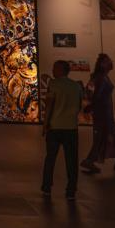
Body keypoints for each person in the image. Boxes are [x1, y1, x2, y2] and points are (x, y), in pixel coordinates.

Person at [81, 53, 115, 173]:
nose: (111, 63)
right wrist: (91, 107)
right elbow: (96, 95)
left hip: (104, 113)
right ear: (102, 64)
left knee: (107, 136)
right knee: (105, 136)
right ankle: (93, 160)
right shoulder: (100, 78)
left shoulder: (102, 77)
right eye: (108, 61)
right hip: (103, 114)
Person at [41, 60, 84, 200]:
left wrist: (45, 124)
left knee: (50, 158)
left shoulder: (53, 84)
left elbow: (49, 106)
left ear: (61, 70)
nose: (52, 70)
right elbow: (79, 106)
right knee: (71, 161)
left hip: (55, 127)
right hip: (71, 128)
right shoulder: (76, 86)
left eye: (54, 68)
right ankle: (71, 190)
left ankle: (47, 187)